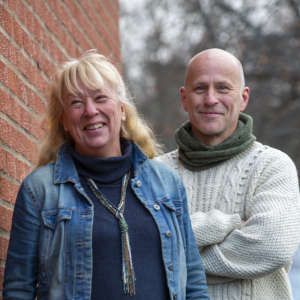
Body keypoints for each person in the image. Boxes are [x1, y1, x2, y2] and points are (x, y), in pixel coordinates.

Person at [3, 50, 209, 300]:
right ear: (64, 120)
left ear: (122, 110)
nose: (90, 110)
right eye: (76, 102)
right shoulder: (39, 191)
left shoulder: (166, 183)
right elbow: (18, 291)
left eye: (100, 98)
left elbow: (193, 282)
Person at [157, 48, 300, 300]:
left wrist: (175, 257)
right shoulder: (155, 173)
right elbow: (143, 245)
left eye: (223, 88)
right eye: (200, 88)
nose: (211, 99)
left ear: (243, 97)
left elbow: (272, 249)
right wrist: (230, 223)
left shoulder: (273, 166)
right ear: (184, 98)